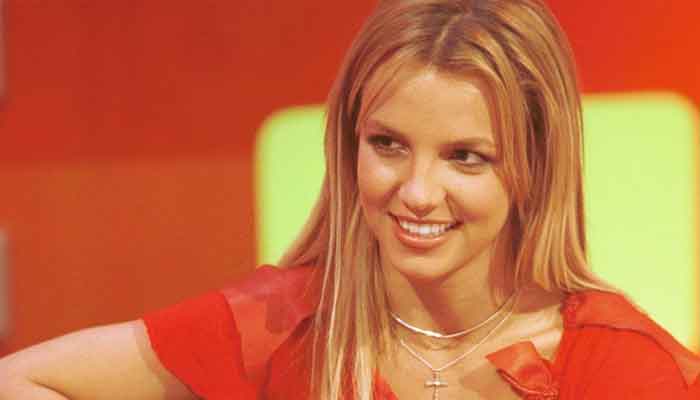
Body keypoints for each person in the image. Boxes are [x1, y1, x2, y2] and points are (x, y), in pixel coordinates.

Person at [1, 0, 699, 399]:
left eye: (465, 156)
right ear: (347, 145)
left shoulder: (622, 367)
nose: (417, 193)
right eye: (388, 144)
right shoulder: (281, 325)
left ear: (536, 169)